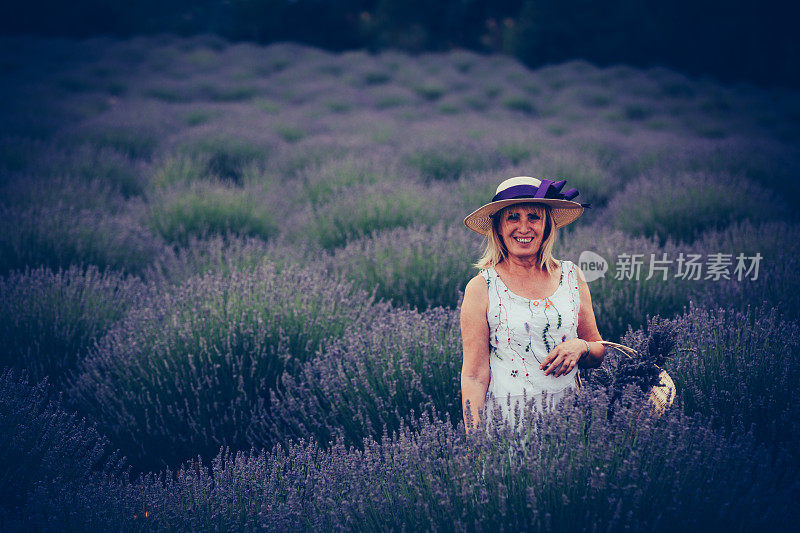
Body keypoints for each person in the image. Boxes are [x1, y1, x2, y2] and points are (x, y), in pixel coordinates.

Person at [460, 176, 605, 434]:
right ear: (499, 228)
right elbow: (474, 376)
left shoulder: (572, 276)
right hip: (508, 425)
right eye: (513, 217)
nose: (524, 228)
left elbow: (598, 351)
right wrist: (475, 441)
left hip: (568, 417)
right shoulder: (482, 287)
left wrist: (581, 346)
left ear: (547, 225)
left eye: (534, 217)